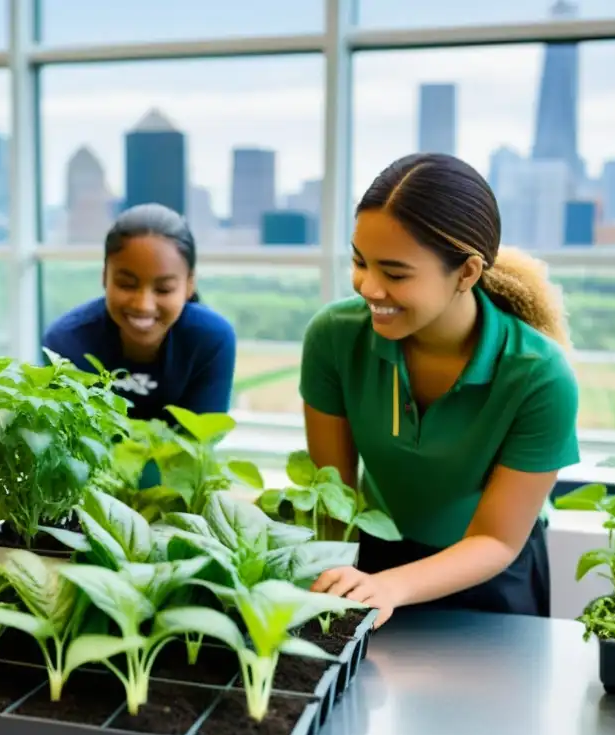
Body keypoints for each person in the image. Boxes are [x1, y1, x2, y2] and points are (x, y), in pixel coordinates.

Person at [302, 152, 579, 628]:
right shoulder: (334, 337)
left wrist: (392, 585)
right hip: (373, 558)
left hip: (491, 574)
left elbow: (496, 541)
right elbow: (335, 495)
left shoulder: (540, 375)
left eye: (394, 272)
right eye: (359, 261)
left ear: (467, 273)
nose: (368, 286)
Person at [43, 203, 237, 423]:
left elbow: (200, 440)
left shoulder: (211, 340)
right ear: (105, 275)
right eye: (126, 284)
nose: (143, 305)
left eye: (163, 289)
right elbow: (67, 440)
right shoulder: (66, 341)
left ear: (189, 285)